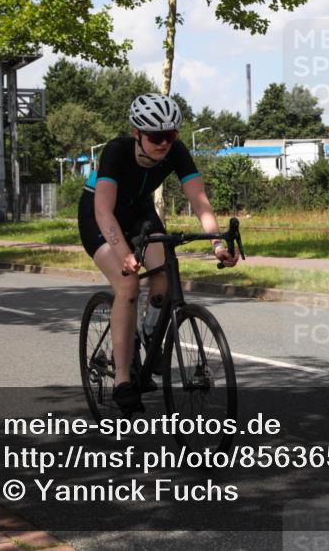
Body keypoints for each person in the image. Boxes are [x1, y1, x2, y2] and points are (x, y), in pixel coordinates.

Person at [78, 93, 239, 417]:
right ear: (138, 133)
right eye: (156, 136)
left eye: (171, 135)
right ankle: (123, 378)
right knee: (128, 286)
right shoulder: (116, 151)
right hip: (100, 217)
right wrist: (124, 253)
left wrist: (217, 244)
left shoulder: (175, 151)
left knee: (164, 275)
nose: (164, 143)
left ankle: (149, 333)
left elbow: (199, 200)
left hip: (139, 214)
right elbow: (103, 211)